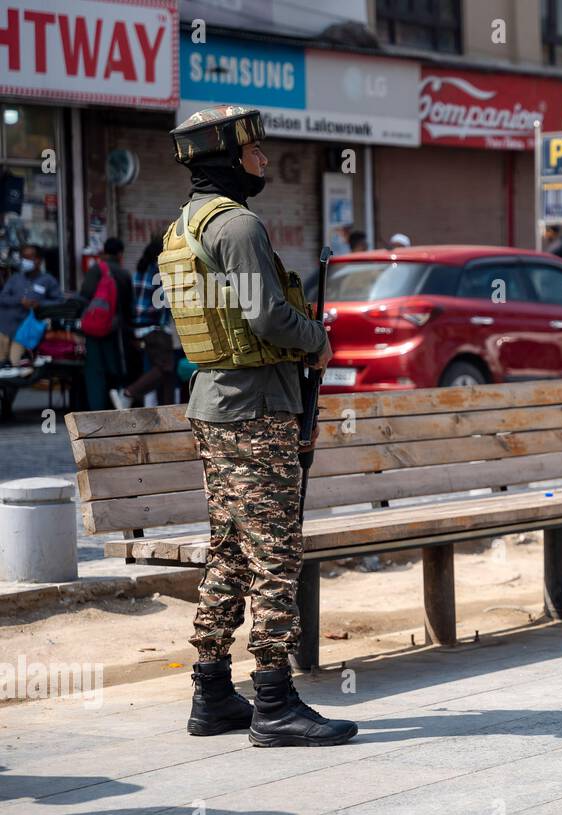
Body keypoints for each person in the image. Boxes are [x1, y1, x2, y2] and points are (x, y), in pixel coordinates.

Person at [164, 105, 356, 746]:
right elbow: (270, 320)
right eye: (254, 151)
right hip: (255, 412)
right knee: (275, 555)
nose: (264, 160)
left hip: (217, 405)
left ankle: (213, 692)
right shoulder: (239, 225)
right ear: (227, 158)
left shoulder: (187, 225)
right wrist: (318, 340)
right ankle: (274, 701)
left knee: (228, 552)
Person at [111, 238, 175, 409]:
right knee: (165, 368)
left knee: (166, 374)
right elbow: (165, 302)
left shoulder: (139, 271)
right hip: (156, 329)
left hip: (140, 329)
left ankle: (169, 412)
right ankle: (128, 393)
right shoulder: (159, 272)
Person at [76, 238, 134, 410]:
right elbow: (129, 306)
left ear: (104, 252)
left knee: (95, 370)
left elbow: (83, 297)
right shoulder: (124, 274)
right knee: (116, 367)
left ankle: (96, 407)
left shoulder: (96, 270)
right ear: (120, 254)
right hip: (115, 331)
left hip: (94, 330)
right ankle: (117, 403)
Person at [0, 244, 63, 378]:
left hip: (26, 330)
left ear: (38, 260)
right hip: (5, 327)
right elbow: (2, 297)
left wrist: (40, 304)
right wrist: (19, 301)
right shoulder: (15, 279)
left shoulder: (48, 280)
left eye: (28, 258)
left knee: (15, 367)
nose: (25, 261)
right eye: (23, 258)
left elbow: (58, 301)